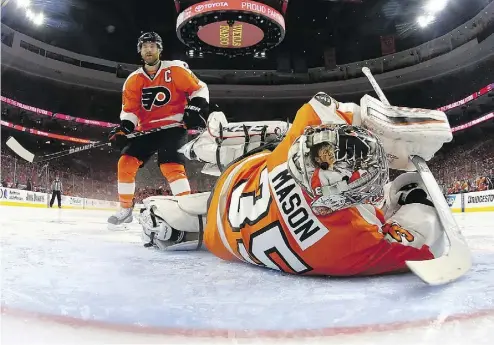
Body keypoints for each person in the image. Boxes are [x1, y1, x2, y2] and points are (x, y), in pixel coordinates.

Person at [137, 91, 454, 277]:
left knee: (280, 133)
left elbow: (322, 109)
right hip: (222, 238)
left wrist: (384, 122)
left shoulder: (294, 150)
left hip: (237, 181)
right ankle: (187, 221)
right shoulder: (349, 245)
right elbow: (421, 246)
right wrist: (418, 194)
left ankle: (213, 152)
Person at [107, 32, 209, 229]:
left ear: (160, 49)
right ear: (140, 50)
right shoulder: (133, 80)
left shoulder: (176, 69)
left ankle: (187, 210)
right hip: (146, 130)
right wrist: (124, 129)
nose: (148, 49)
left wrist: (195, 107)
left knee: (171, 166)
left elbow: (200, 88)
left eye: (152, 45)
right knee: (125, 163)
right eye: (144, 46)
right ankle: (125, 210)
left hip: (173, 127)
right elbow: (130, 111)